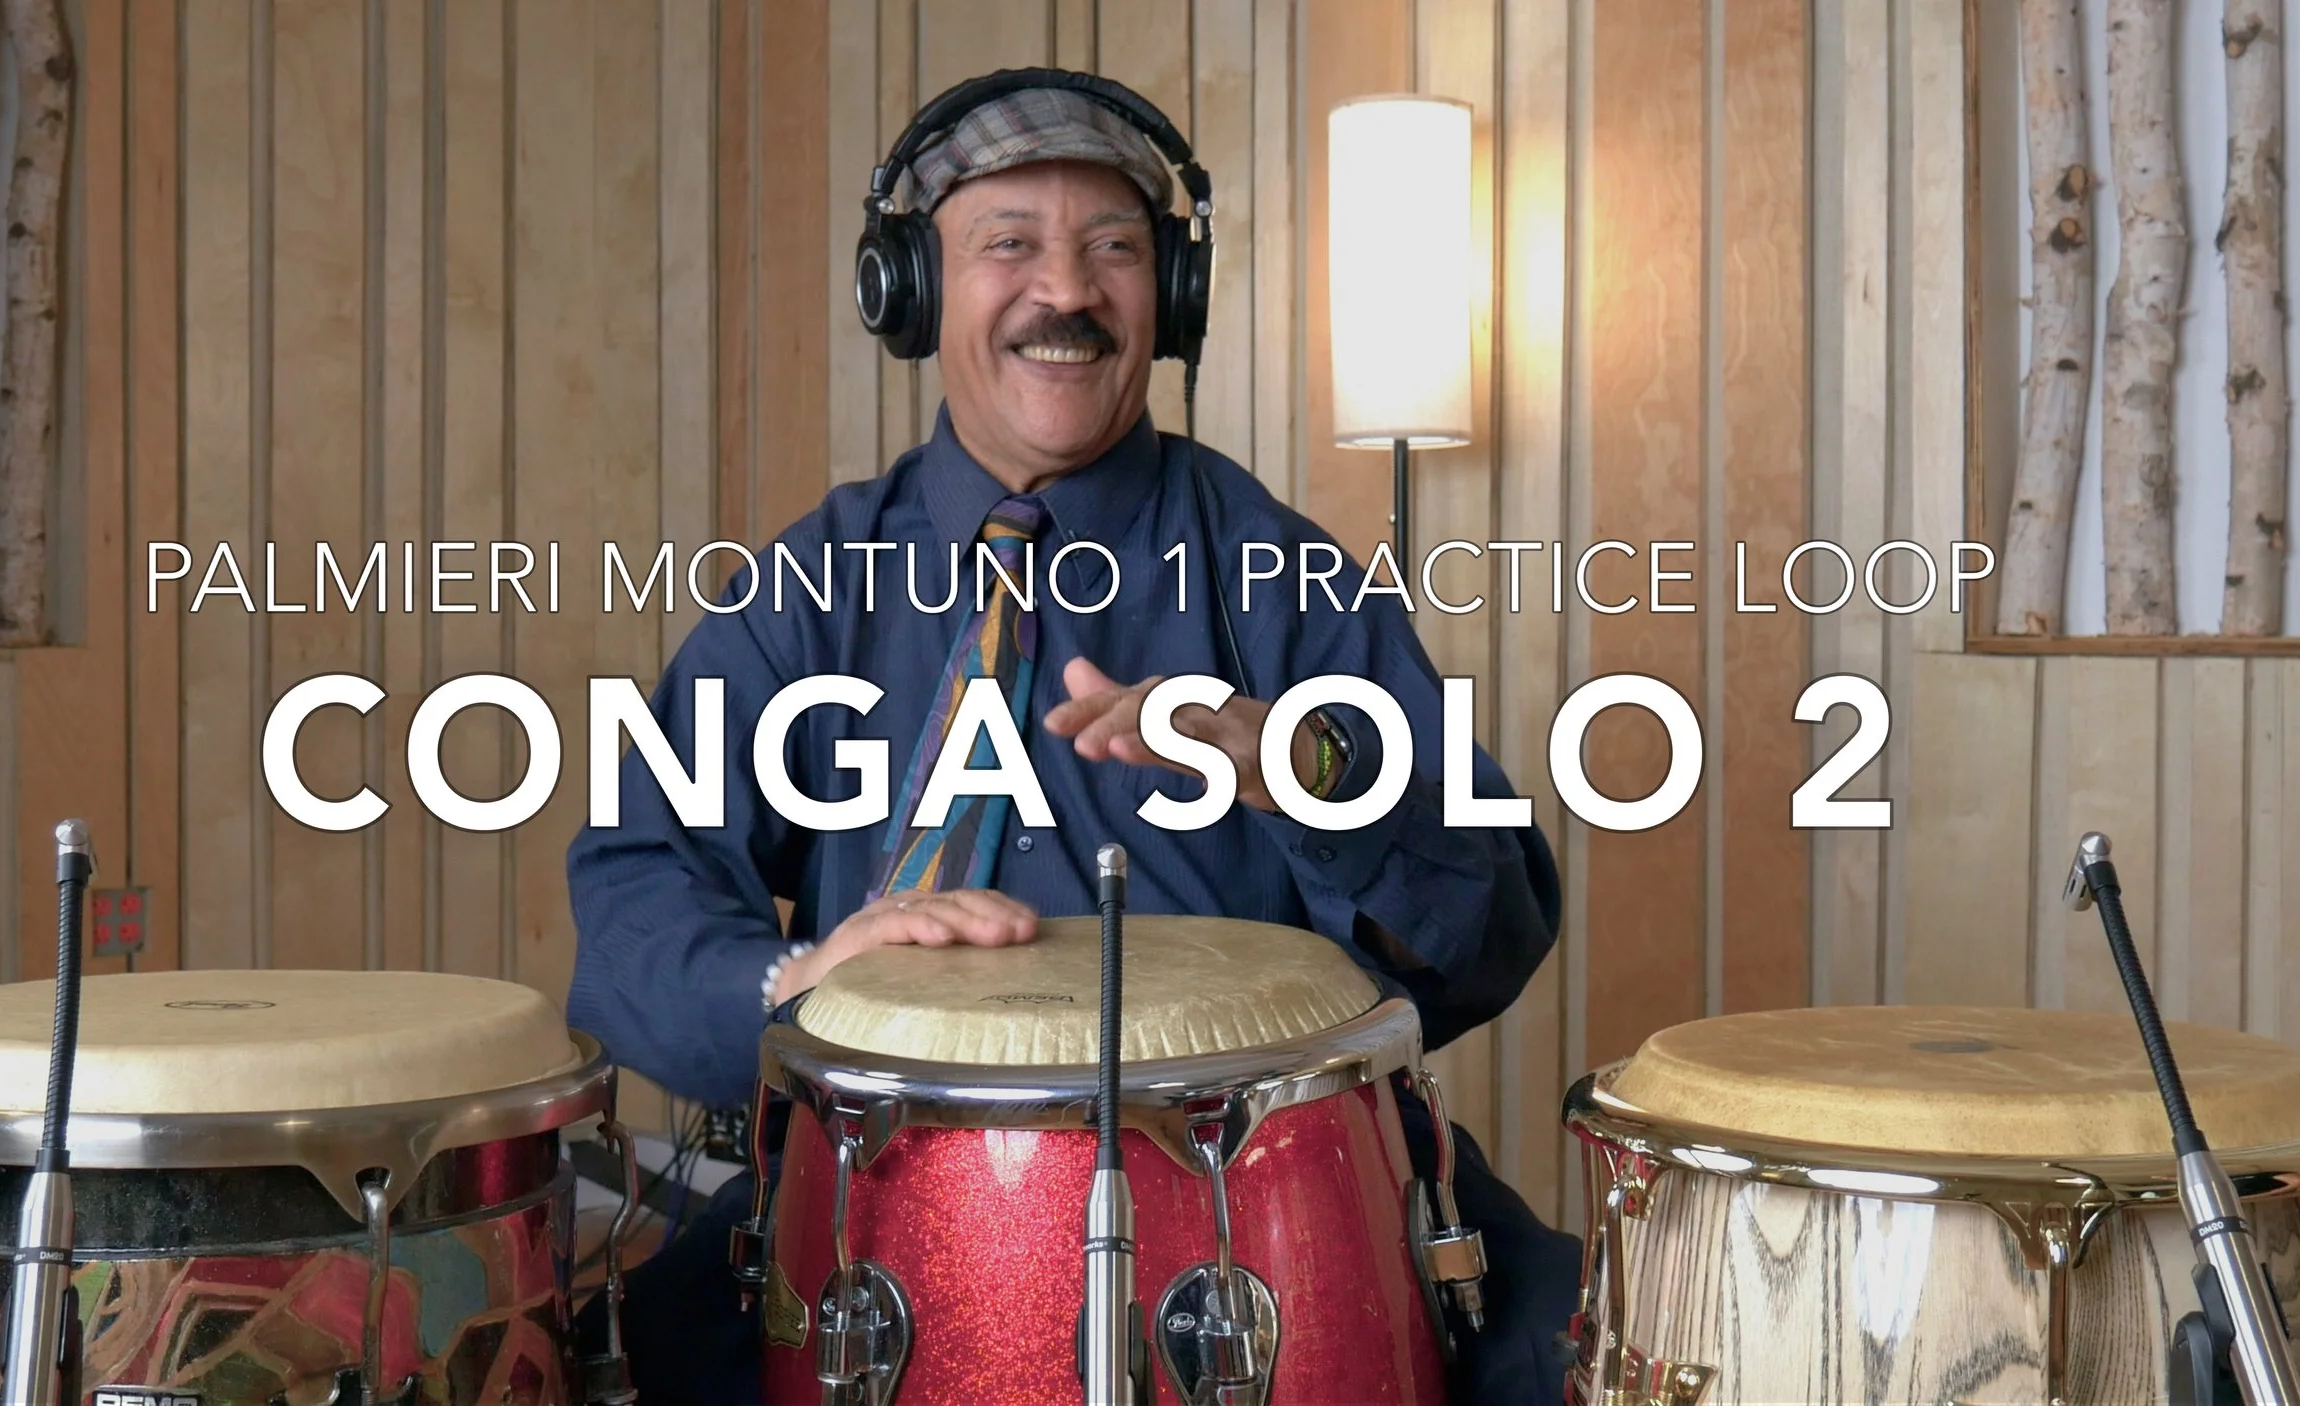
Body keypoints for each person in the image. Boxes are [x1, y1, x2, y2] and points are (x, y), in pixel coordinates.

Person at [565, 69, 1577, 1405]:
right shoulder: (813, 589)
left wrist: (1319, 775)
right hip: (867, 1204)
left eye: (1114, 247)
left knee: (1556, 1355)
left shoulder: (1279, 573)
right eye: (1010, 243)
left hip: (1261, 1211)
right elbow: (634, 890)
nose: (1068, 291)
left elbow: (1496, 921)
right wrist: (796, 980)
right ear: (911, 290)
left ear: (1173, 296)